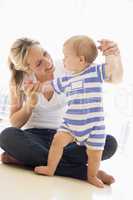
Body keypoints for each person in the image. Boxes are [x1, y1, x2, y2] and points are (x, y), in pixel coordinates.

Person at [0, 37, 122, 184]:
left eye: (45, 54)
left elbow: (113, 78)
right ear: (27, 68)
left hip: (68, 136)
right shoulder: (19, 81)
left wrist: (115, 55)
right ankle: (86, 173)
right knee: (7, 136)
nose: (47, 61)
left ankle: (29, 160)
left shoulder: (68, 66)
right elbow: (15, 123)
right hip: (35, 138)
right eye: (38, 63)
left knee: (109, 143)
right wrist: (29, 105)